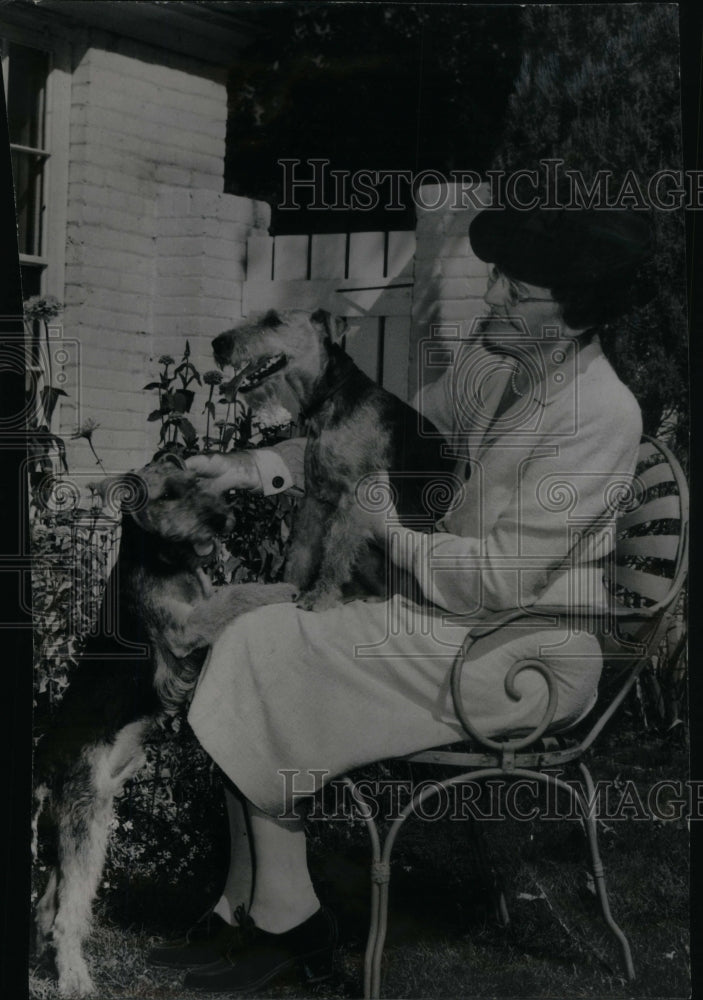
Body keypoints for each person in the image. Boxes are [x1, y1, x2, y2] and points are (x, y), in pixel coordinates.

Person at [148, 203, 649, 992]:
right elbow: (370, 427)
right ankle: (239, 905)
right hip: (448, 617)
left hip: (520, 650)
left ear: (572, 315)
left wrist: (392, 530)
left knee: (267, 642)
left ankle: (290, 919)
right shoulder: (494, 368)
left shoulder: (600, 414)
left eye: (515, 294)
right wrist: (251, 467)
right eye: (494, 282)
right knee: (250, 627)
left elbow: (500, 580)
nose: (491, 302)